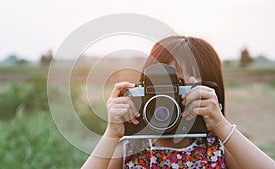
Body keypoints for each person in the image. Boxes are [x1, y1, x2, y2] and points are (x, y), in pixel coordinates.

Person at [82, 36, 275, 169]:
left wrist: (221, 126)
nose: (169, 101)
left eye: (181, 89)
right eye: (162, 88)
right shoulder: (130, 148)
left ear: (211, 94)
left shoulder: (217, 148)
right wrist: (112, 133)